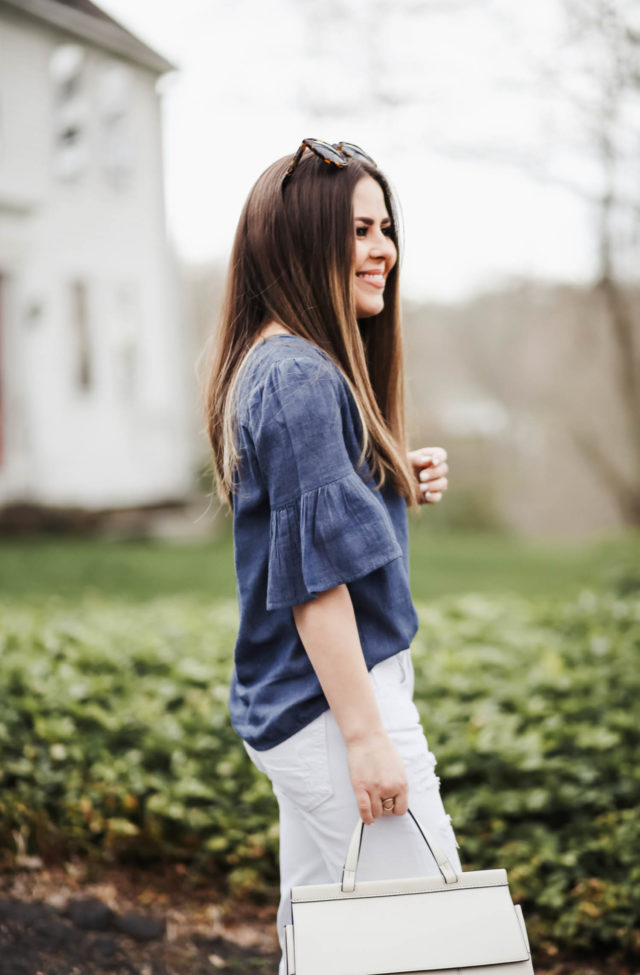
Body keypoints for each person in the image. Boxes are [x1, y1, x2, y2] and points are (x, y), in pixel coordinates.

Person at [204, 138, 462, 973]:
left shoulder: (284, 365)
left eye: (384, 227)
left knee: (326, 948)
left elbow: (305, 514)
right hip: (335, 706)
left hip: (305, 705)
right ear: (301, 243)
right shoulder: (302, 379)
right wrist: (367, 737)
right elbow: (317, 588)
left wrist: (387, 477)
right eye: (357, 230)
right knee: (437, 942)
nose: (383, 249)